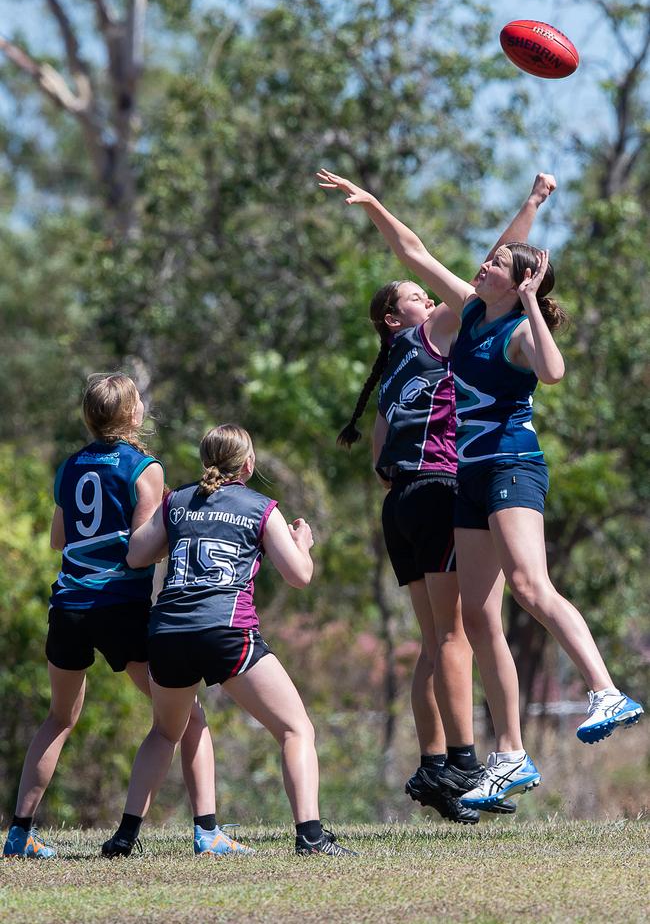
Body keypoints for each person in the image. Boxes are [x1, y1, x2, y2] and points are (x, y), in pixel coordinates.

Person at [317, 168, 643, 808]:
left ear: (516, 281)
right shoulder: (466, 314)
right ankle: (512, 755)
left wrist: (527, 300)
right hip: (467, 476)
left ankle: (606, 690)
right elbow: (413, 252)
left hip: (511, 466)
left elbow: (553, 373)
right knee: (478, 615)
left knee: (528, 585)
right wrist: (373, 203)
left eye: (494, 262)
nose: (482, 262)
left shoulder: (517, 329)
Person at [330, 175, 555, 822]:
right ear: (398, 317)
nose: (433, 296)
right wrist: (532, 206)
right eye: (417, 298)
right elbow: (488, 262)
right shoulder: (437, 333)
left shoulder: (396, 362)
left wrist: (374, 203)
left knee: (433, 643)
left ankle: (432, 765)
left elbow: (378, 453)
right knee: (457, 636)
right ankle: (461, 762)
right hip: (437, 490)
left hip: (400, 501)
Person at [101, 424, 357, 857]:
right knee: (296, 729)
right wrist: (303, 543)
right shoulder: (261, 507)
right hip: (226, 631)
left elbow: (136, 555)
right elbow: (300, 577)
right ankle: (310, 837)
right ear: (249, 464)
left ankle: (125, 837)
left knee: (165, 732)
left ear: (206, 459)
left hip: (167, 633)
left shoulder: (178, 501)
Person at [2, 374, 229, 860]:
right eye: (140, 401)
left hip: (68, 606)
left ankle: (19, 834)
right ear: (131, 415)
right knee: (187, 715)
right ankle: (207, 831)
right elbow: (141, 552)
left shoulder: (68, 467)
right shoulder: (144, 467)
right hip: (120, 608)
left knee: (59, 718)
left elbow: (58, 540)